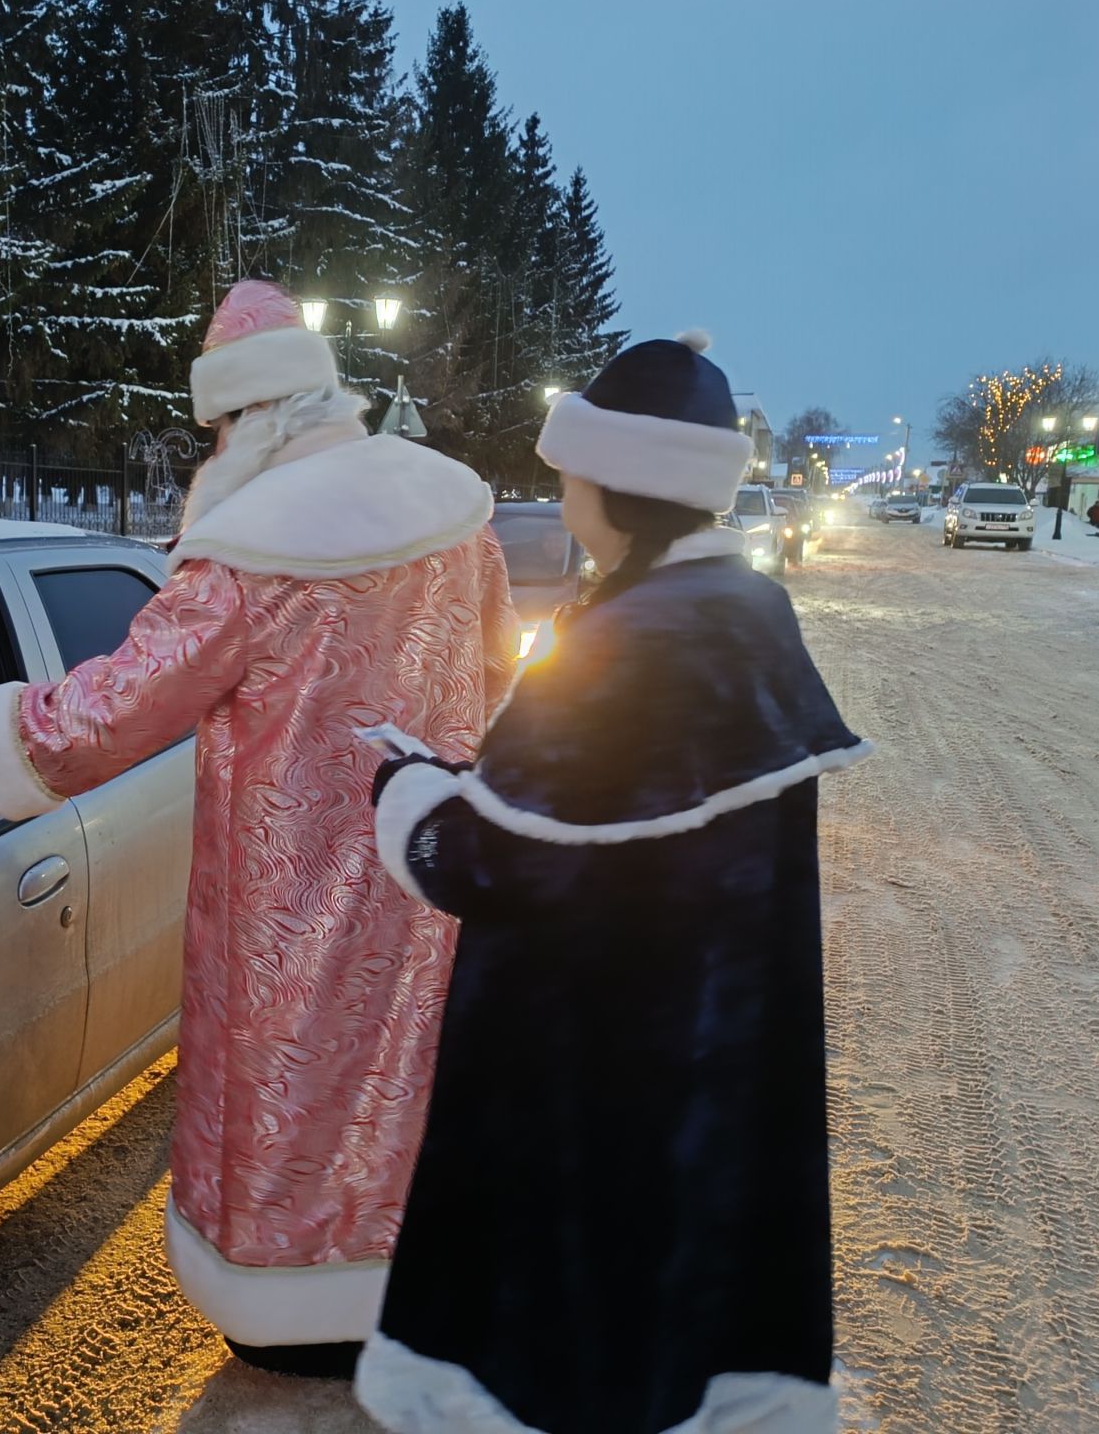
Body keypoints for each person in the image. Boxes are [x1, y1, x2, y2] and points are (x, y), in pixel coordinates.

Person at [0, 279, 516, 1379]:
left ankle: (298, 1315)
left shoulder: (242, 556)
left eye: (222, 424)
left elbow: (94, 723)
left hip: (288, 903)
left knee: (292, 1091)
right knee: (409, 1076)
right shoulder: (457, 517)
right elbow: (499, 670)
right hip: (428, 870)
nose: (216, 445)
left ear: (254, 420)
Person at [356, 332, 871, 1434]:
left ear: (623, 486)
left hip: (590, 1073)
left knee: (575, 1343)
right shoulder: (748, 615)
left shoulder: (633, 639)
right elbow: (599, 822)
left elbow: (494, 862)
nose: (564, 495)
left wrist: (408, 792)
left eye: (572, 475)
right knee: (682, 1315)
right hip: (712, 1058)